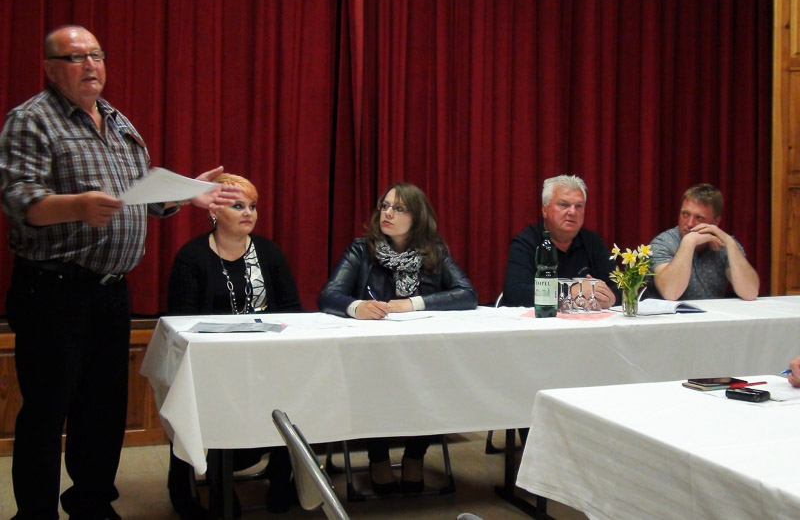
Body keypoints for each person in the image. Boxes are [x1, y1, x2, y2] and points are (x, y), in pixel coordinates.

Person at [0, 25, 237, 520]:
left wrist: (186, 193)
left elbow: (139, 195)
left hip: (110, 292)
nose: (90, 65)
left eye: (97, 55)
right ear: (49, 68)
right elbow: (20, 200)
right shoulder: (31, 120)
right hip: (54, 289)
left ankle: (91, 505)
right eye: (76, 57)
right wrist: (76, 206)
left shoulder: (117, 120)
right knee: (47, 410)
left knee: (103, 409)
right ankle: (35, 514)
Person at [318, 182, 477, 495]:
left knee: (436, 380)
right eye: (385, 206)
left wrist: (413, 303)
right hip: (373, 356)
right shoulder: (362, 250)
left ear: (417, 217)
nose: (387, 213)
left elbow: (467, 294)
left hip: (422, 354)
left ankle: (415, 456)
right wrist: (356, 307)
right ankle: (378, 458)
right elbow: (328, 295)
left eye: (398, 208)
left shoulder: (434, 251)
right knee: (373, 383)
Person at [166, 173, 301, 517]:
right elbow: (181, 321)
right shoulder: (192, 256)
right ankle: (215, 479)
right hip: (212, 365)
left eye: (252, 206)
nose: (249, 213)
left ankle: (283, 477)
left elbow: (292, 310)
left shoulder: (269, 253)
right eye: (238, 206)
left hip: (268, 360)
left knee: (297, 389)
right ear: (214, 212)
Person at [503, 174, 619, 309]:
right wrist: (569, 292)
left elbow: (623, 286)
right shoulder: (526, 242)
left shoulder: (593, 242)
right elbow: (515, 292)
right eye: (564, 205)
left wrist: (612, 297)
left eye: (579, 206)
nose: (572, 212)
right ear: (545, 210)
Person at [650, 183, 759, 301]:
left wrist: (730, 242)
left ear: (716, 222)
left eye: (699, 218)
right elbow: (671, 293)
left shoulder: (723, 243)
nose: (690, 223)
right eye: (685, 214)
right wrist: (689, 242)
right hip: (671, 313)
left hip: (713, 312)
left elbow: (750, 293)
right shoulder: (663, 243)